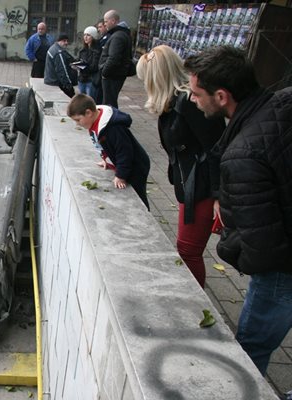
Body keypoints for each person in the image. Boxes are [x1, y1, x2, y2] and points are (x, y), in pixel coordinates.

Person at [184, 46, 292, 375]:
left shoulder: (243, 154)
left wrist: (232, 252)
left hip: (280, 271)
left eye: (196, 93)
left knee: (251, 346)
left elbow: (262, 247)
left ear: (221, 95)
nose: (191, 100)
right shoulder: (284, 102)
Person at [136, 45, 225, 288]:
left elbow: (217, 148)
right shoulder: (175, 102)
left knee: (188, 251)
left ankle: (195, 301)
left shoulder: (189, 102)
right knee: (187, 249)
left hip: (203, 187)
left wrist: (219, 195)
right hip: (191, 185)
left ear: (156, 78)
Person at [67, 93, 150, 209]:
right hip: (126, 164)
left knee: (139, 195)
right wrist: (107, 160)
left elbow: (125, 152)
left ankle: (145, 214)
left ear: (88, 113)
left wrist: (121, 175)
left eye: (78, 120)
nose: (77, 124)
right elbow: (105, 146)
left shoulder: (113, 128)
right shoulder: (94, 123)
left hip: (136, 166)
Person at [98, 10, 133, 108]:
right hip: (115, 74)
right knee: (110, 102)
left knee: (109, 104)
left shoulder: (118, 36)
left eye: (106, 21)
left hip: (112, 76)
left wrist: (104, 72)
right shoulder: (120, 34)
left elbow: (113, 58)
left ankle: (112, 122)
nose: (105, 24)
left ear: (113, 21)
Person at [44, 33, 77, 98]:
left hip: (50, 79)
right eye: (64, 41)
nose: (66, 43)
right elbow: (62, 70)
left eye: (67, 41)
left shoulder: (55, 48)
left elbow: (69, 59)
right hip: (55, 82)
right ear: (58, 41)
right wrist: (69, 86)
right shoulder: (58, 52)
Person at [74, 26, 101, 101]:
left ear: (93, 37)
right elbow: (78, 60)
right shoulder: (82, 50)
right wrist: (75, 65)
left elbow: (94, 67)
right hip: (82, 79)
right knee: (81, 102)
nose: (85, 37)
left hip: (91, 80)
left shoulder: (97, 51)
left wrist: (83, 66)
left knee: (90, 102)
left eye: (88, 35)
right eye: (84, 35)